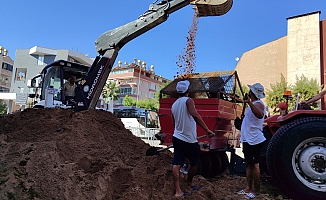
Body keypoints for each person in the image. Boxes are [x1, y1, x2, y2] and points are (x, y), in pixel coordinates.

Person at [171, 80, 215, 197]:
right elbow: (194, 114)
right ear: (188, 91)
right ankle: (189, 182)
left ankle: (178, 191)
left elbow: (174, 123)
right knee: (194, 162)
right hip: (189, 140)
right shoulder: (188, 101)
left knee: (177, 163)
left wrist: (179, 130)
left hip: (177, 137)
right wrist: (207, 130)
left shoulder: (174, 104)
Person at [237, 83, 266, 199]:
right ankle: (248, 188)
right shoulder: (253, 104)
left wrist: (248, 102)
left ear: (252, 93)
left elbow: (259, 115)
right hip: (248, 139)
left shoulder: (258, 104)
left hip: (254, 140)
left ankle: (256, 191)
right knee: (248, 165)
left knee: (255, 166)